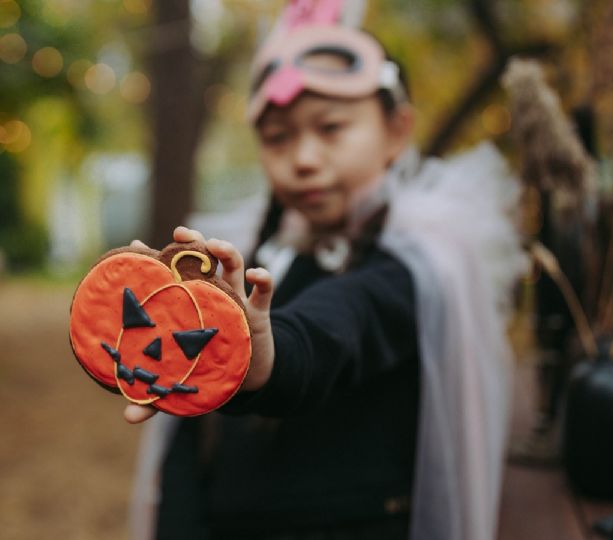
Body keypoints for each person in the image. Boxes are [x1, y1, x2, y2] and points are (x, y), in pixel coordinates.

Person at [122, 1, 527, 538]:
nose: (304, 158)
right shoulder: (251, 255)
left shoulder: (419, 264)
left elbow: (340, 324)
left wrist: (262, 355)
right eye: (278, 137)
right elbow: (190, 445)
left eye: (331, 127)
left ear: (397, 130)